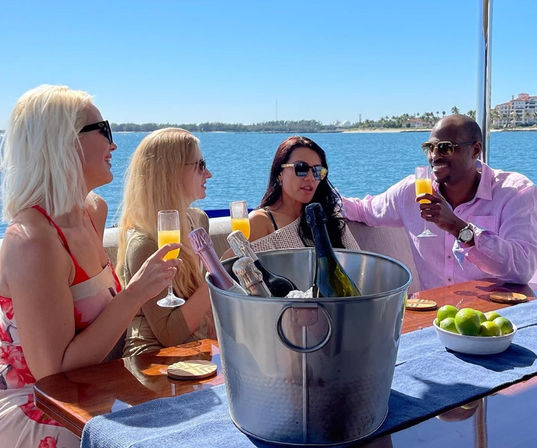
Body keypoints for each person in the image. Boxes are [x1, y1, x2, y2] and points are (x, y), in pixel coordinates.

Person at [0, 85, 181, 447]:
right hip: (42, 409)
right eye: (105, 131)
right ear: (62, 143)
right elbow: (53, 372)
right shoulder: (32, 240)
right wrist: (134, 294)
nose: (114, 145)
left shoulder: (92, 211)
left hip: (93, 393)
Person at [342, 114, 537, 290]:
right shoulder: (411, 192)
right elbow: (362, 210)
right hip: (435, 316)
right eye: (429, 148)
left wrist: (459, 229)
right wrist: (314, 187)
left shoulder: (515, 192)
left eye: (445, 147)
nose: (434, 156)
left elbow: (522, 269)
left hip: (498, 314)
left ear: (475, 150)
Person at [116, 128, 216, 357]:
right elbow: (170, 334)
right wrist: (218, 274)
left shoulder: (198, 220)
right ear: (170, 173)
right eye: (200, 165)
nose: (208, 173)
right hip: (152, 359)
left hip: (195, 350)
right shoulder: (145, 243)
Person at [247, 136, 359, 252]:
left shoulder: (329, 216)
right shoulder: (261, 221)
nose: (310, 178)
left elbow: (357, 263)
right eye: (301, 168)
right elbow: (234, 266)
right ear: (280, 173)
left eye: (317, 171)